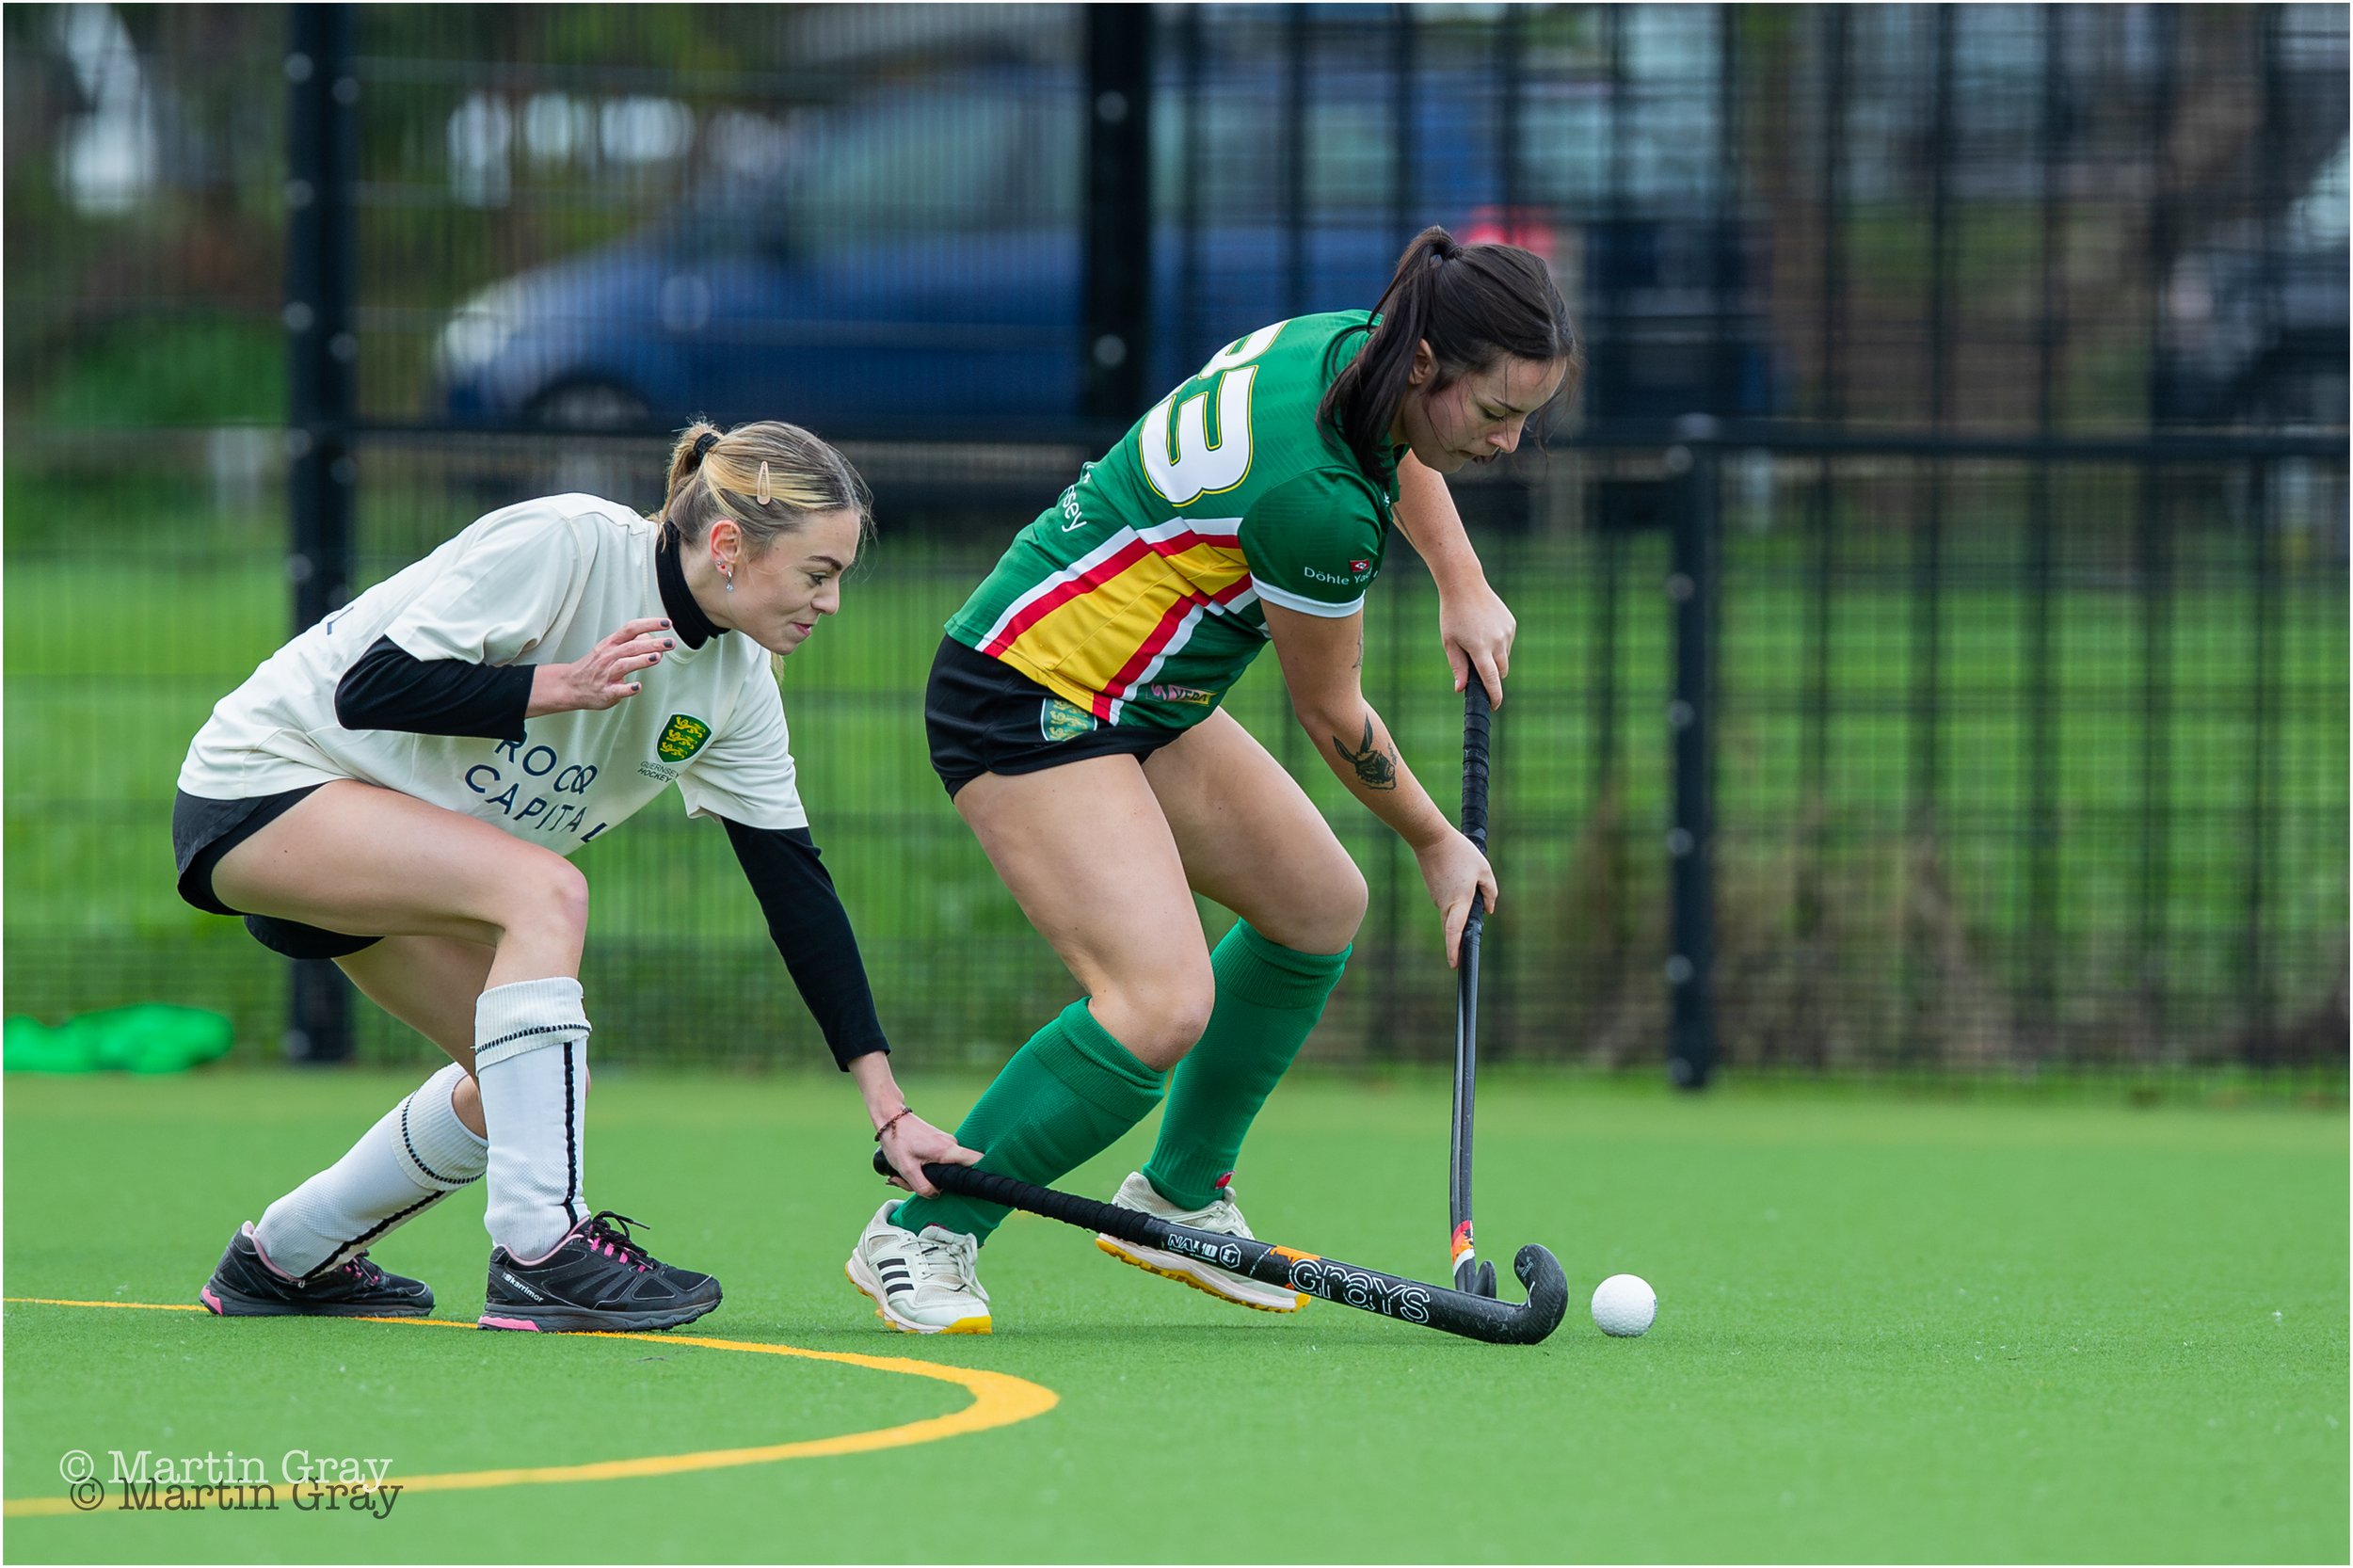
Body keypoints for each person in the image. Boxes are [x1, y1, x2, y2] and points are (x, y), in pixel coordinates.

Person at [844, 225, 1577, 1334]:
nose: (1513, 442)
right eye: (1495, 414)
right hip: (1028, 692)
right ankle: (925, 1231)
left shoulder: (1348, 348)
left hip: (1139, 694)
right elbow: (1333, 719)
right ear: (1426, 366)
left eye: (1529, 416)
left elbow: (1406, 455)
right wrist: (1436, 840)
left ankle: (1182, 1190)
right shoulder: (1315, 502)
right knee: (1158, 1002)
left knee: (1317, 907)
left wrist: (1460, 581)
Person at [176, 421, 976, 1333]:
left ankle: (283, 1257)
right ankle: (540, 1252)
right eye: (818, 573)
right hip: (263, 789)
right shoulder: (570, 545)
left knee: (529, 1093)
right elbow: (370, 689)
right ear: (728, 547)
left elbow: (796, 891)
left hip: (360, 846)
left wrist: (888, 1108)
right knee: (546, 890)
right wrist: (551, 688)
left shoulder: (739, 684)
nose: (829, 603)